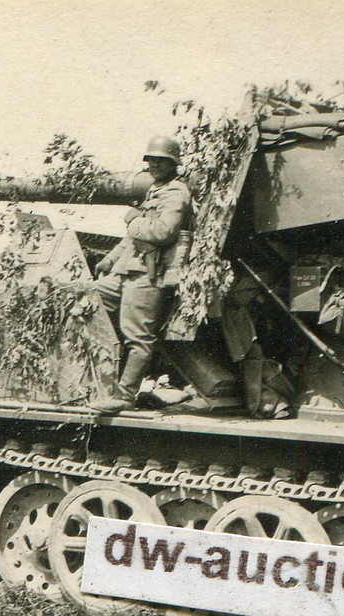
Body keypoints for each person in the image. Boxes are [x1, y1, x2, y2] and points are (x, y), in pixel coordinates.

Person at [91, 136, 194, 412]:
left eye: (162, 161)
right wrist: (110, 260)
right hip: (126, 270)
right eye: (151, 160)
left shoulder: (175, 192)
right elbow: (132, 238)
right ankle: (99, 382)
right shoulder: (155, 190)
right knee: (88, 297)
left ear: (173, 164)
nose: (155, 165)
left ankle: (124, 395)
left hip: (149, 275)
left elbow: (163, 232)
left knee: (138, 336)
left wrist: (134, 219)